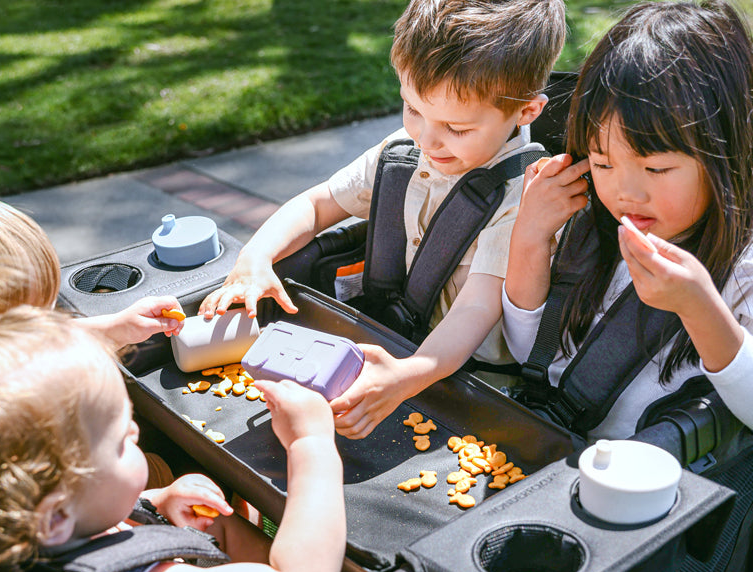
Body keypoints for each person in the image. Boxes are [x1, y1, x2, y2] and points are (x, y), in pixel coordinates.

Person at [199, 0, 567, 438]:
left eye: (457, 128)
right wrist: (255, 258)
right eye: (413, 109)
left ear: (526, 111)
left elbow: (475, 309)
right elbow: (317, 205)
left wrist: (406, 374)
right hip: (391, 340)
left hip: (467, 383)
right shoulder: (404, 152)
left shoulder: (521, 197)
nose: (427, 139)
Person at [0, 302, 346, 572]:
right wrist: (310, 443)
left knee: (217, 523)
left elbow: (94, 535)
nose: (136, 433)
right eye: (122, 440)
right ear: (55, 516)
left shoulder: (12, 539)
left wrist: (154, 505)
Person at [502, 0, 753, 442]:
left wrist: (699, 308)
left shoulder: (741, 271)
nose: (626, 193)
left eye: (655, 168)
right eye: (603, 163)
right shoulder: (590, 226)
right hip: (557, 456)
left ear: (726, 154)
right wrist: (530, 236)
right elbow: (533, 357)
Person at [0, 186, 186, 349]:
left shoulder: (5, 344)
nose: (42, 326)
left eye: (47, 311)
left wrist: (117, 328)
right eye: (27, 324)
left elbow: (46, 340)